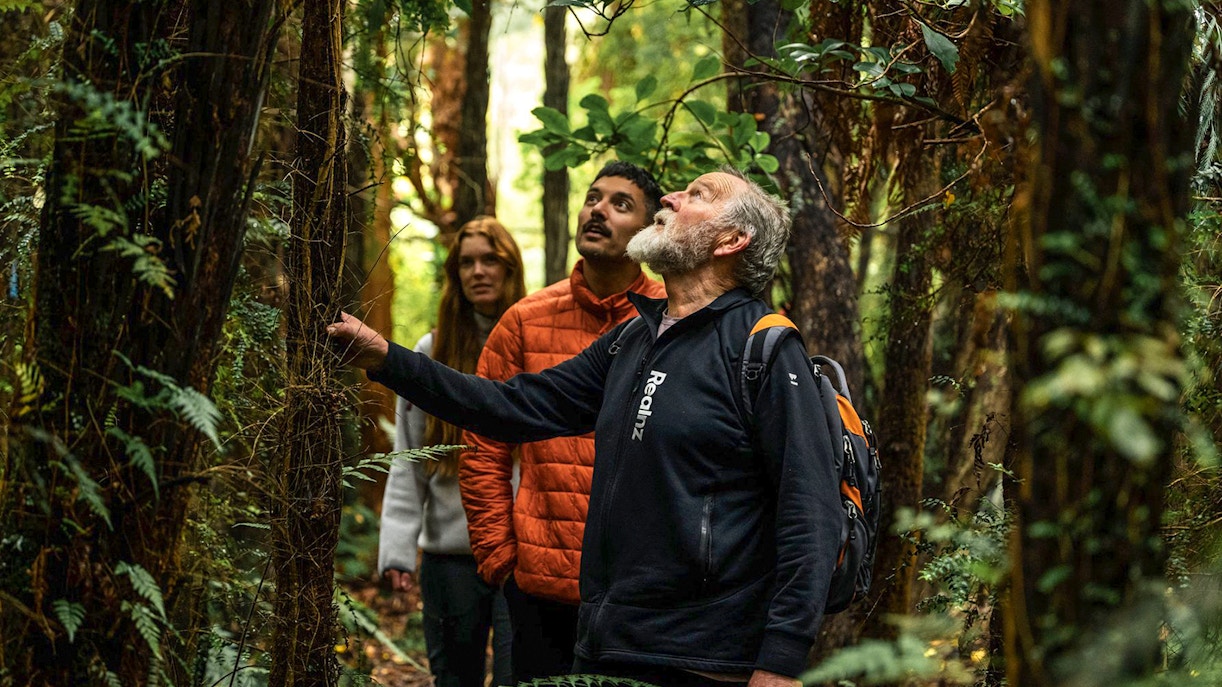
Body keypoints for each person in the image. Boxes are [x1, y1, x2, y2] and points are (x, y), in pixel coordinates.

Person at [331, 168, 841, 687]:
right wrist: (387, 359)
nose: (670, 196)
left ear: (732, 240)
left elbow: (810, 512)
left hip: (706, 658)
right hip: (607, 645)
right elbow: (508, 406)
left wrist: (780, 661)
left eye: (697, 194)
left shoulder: (765, 349)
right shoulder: (631, 340)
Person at [459, 161, 666, 682]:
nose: (598, 209)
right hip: (538, 591)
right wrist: (501, 558)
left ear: (650, 230)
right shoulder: (524, 320)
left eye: (621, 204)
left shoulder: (677, 318)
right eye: (593, 198)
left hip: (642, 599)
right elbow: (482, 445)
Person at [377, 217, 525, 687]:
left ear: (510, 268)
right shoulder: (431, 350)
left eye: (490, 260)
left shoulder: (538, 343)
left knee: (518, 676)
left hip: (523, 554)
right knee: (454, 678)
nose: (478, 271)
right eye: (466, 262)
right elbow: (408, 460)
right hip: (450, 557)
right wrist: (397, 551)